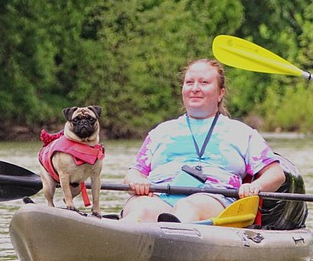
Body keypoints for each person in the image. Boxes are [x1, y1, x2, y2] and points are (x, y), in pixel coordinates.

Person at [121, 59, 286, 223]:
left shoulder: (243, 133)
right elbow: (134, 172)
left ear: (221, 93)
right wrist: (136, 181)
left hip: (214, 198)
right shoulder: (160, 132)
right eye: (189, 82)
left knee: (187, 207)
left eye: (204, 83)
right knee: (141, 210)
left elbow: (276, 174)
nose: (195, 89)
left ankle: (171, 236)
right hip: (158, 196)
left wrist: (255, 186)